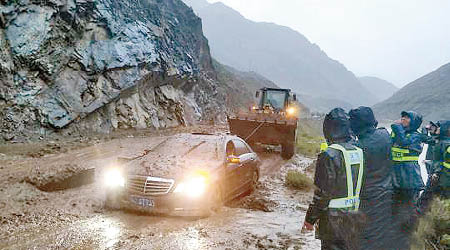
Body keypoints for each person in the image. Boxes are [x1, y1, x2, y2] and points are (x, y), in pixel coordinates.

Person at [303, 108, 365, 250]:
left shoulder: (329, 155)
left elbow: (322, 194)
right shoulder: (358, 151)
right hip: (354, 217)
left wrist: (310, 219)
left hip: (332, 221)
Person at [349, 107, 394, 249]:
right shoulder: (384, 135)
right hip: (386, 195)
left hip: (367, 198)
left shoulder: (359, 147)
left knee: (363, 238)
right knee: (379, 236)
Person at [390, 111, 424, 247]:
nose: (403, 119)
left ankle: (410, 243)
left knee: (408, 215)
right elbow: (391, 143)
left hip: (410, 182)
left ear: (413, 122)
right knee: (395, 214)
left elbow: (404, 142)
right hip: (396, 182)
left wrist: (396, 127)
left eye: (407, 118)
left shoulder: (416, 136)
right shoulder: (398, 133)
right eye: (402, 116)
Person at [416, 120, 450, 214]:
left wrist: (436, 172)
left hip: (438, 176)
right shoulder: (440, 140)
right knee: (431, 196)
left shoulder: (444, 143)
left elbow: (442, 161)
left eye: (439, 127)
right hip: (436, 174)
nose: (437, 129)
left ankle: (420, 214)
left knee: (429, 195)